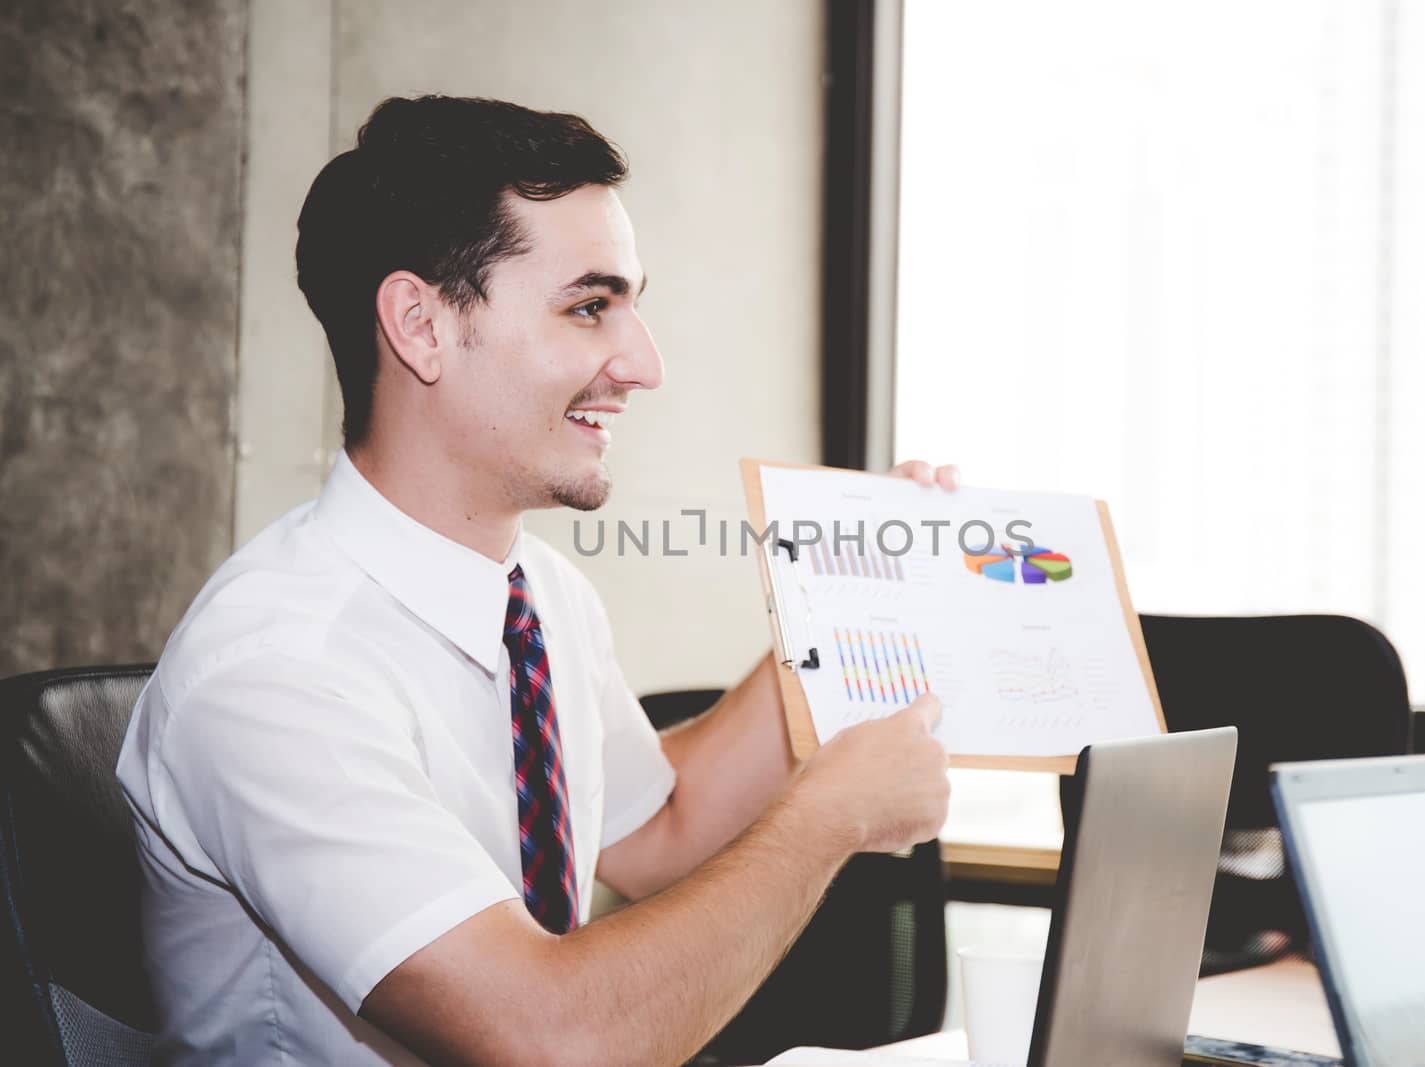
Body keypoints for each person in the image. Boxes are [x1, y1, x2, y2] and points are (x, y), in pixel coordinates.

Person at [116, 94, 958, 1067]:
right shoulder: (275, 672)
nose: (642, 363)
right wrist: (830, 817)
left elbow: (663, 830)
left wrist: (856, 597)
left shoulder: (541, 594)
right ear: (421, 327)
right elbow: (550, 1038)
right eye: (590, 306)